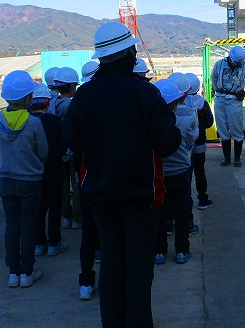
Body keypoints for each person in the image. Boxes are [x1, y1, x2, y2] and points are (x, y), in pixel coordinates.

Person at [64, 21, 180, 328]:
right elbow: (168, 143)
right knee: (139, 268)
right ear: (127, 52)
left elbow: (72, 142)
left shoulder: (83, 95)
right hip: (142, 196)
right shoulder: (144, 92)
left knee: (113, 263)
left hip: (101, 196)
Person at [0, 70, 48, 288]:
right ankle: (27, 271)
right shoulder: (33, 123)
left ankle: (13, 272)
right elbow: (43, 152)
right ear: (27, 99)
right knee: (29, 225)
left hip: (6, 180)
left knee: (11, 226)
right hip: (30, 181)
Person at [153, 79, 198, 265]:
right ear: (175, 101)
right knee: (181, 212)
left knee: (159, 214)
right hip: (181, 171)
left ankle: (159, 252)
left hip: (159, 173)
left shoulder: (151, 123)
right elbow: (190, 139)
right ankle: (181, 251)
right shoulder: (184, 118)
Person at [30, 83, 69, 258]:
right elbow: (62, 146)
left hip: (34, 172)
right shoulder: (54, 121)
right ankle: (54, 242)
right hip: (53, 169)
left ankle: (39, 243)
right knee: (54, 207)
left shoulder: (27, 121)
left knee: (39, 207)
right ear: (47, 102)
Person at [78, 59, 101, 301]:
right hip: (110, 177)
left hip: (86, 176)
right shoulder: (110, 97)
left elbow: (70, 137)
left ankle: (86, 282)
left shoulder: (81, 98)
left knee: (88, 232)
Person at [211, 46, 245, 167]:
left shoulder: (244, 66)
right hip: (220, 99)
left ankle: (237, 158)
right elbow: (214, 77)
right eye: (235, 62)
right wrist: (216, 89)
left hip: (234, 101)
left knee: (236, 128)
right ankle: (226, 158)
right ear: (230, 58)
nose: (236, 65)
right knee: (222, 129)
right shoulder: (219, 64)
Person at [49, 66, 82, 230]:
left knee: (62, 185)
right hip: (71, 149)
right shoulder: (71, 104)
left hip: (57, 150)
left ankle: (65, 216)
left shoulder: (53, 102)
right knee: (76, 184)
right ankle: (77, 217)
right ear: (70, 86)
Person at [185, 73, 215, 210]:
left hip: (183, 145)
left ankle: (184, 203)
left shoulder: (177, 101)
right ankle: (203, 199)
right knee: (200, 172)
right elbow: (209, 122)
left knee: (184, 175)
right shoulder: (202, 103)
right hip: (200, 143)